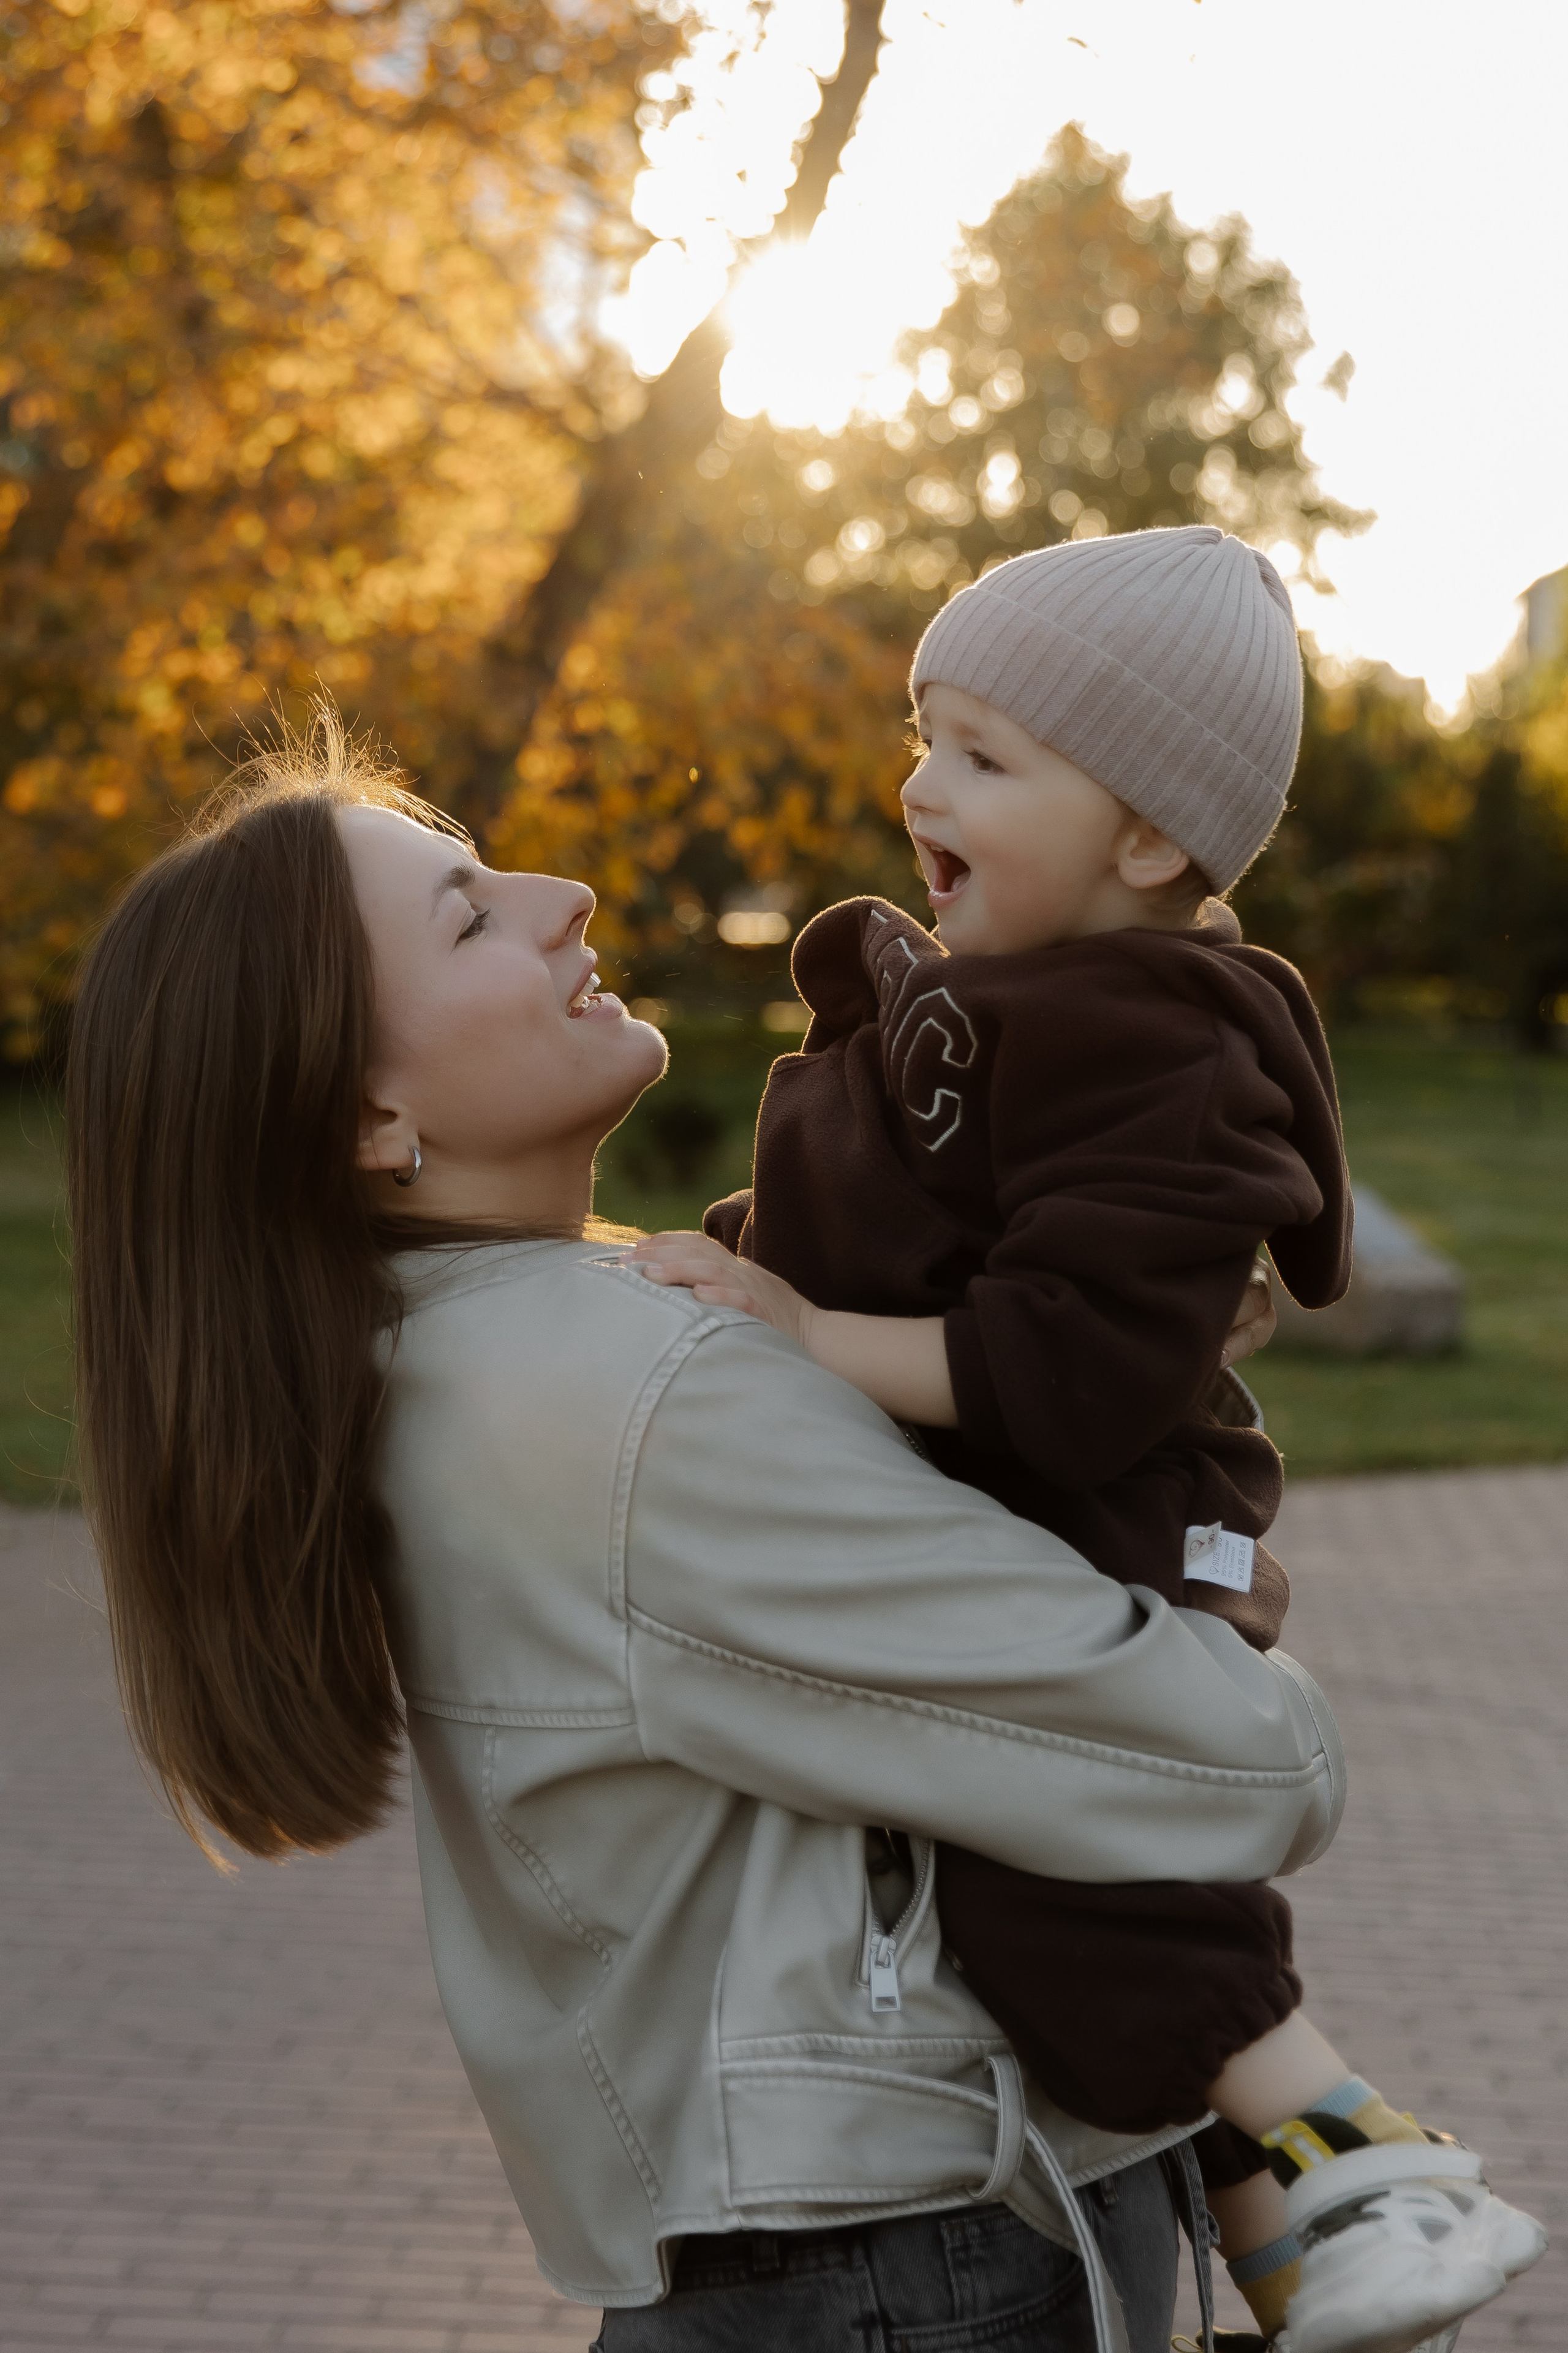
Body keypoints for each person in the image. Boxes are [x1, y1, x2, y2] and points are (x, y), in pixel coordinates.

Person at [66, 713, 1340, 2353]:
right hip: (915, 2264)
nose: (567, 893)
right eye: (468, 911)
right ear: (369, 1121)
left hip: (809, 2262)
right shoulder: (636, 1394)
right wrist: (1226, 1618)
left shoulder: (460, 1356)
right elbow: (1238, 1767)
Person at [629, 527, 1546, 2353]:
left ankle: (1359, 2145)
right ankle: (1282, 2209)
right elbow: (890, 1225)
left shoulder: (1161, 1050)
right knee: (1042, 1866)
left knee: (1059, 1844)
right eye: (926, 733)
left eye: (984, 754)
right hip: (1037, 1504)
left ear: (1147, 839)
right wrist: (742, 1274)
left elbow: (1073, 1361)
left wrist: (809, 1339)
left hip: (1122, 1510)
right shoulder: (1010, 1010)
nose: (920, 783)